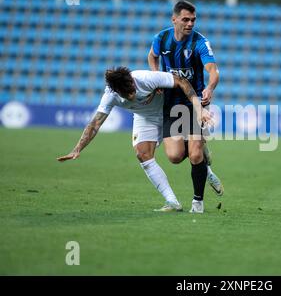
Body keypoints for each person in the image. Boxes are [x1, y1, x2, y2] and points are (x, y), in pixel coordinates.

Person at [57, 67, 213, 213]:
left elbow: (181, 80)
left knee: (176, 156)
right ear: (117, 91)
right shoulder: (110, 96)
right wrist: (77, 149)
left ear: (132, 81)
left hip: (167, 111)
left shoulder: (146, 78)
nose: (131, 96)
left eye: (132, 90)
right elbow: (95, 124)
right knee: (142, 153)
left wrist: (198, 107)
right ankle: (172, 201)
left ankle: (199, 157)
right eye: (126, 94)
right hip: (145, 118)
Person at [148, 0, 223, 214]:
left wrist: (209, 88)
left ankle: (197, 203)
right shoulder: (161, 39)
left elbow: (213, 71)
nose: (190, 23)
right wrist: (156, 76)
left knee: (196, 154)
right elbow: (151, 57)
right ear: (174, 20)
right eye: (185, 19)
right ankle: (206, 170)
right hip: (171, 104)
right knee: (174, 156)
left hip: (195, 103)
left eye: (193, 20)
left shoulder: (199, 42)